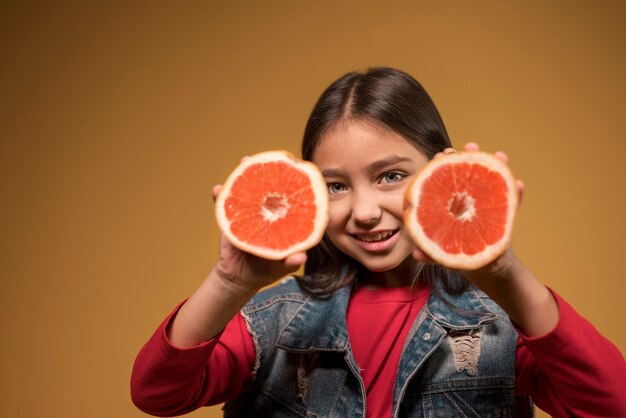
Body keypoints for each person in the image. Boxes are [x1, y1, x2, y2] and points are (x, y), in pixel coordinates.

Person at [131, 67, 626, 417]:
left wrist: (503, 275)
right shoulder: (271, 322)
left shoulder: (498, 325)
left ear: (441, 171)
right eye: (336, 185)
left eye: (390, 176)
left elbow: (611, 405)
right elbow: (158, 394)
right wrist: (227, 283)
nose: (364, 211)